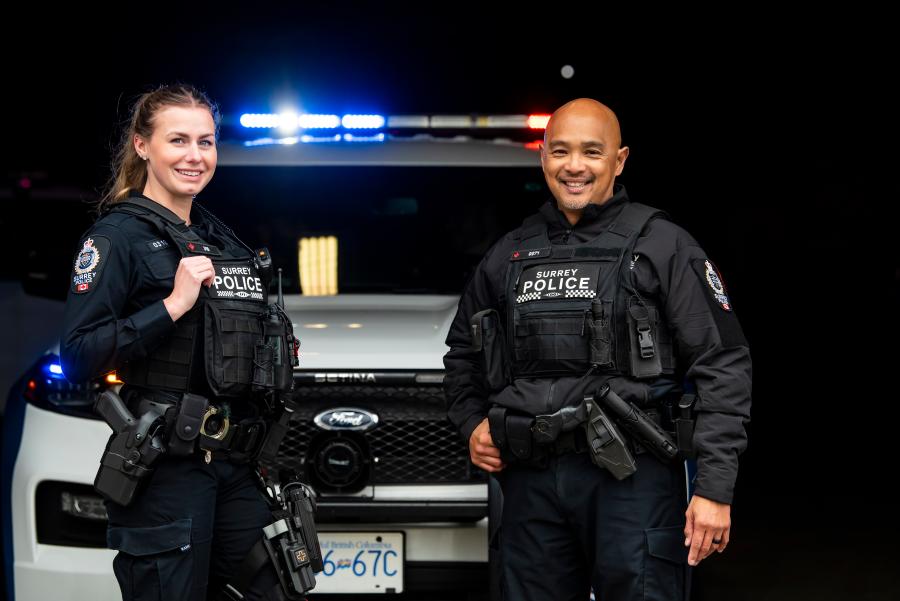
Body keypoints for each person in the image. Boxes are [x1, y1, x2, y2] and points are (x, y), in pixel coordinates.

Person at [443, 98, 752, 601]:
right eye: (560, 151)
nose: (575, 166)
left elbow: (722, 363)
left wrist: (714, 488)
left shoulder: (663, 246)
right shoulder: (511, 253)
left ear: (620, 159)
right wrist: (473, 422)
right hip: (532, 482)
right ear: (543, 158)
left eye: (592, 152)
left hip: (633, 480)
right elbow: (462, 354)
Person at [61, 84, 303, 600]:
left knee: (280, 586)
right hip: (166, 468)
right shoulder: (115, 239)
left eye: (206, 142)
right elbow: (78, 353)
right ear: (143, 146)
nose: (195, 156)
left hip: (235, 466)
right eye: (179, 141)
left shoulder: (221, 239)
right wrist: (171, 305)